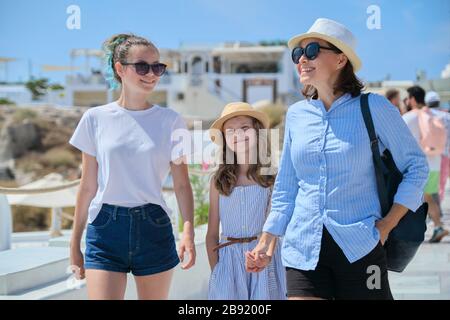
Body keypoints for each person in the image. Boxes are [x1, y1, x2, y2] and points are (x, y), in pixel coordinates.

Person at [246, 18, 429, 300]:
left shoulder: (374, 107)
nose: (301, 60)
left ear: (341, 59)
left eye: (312, 51)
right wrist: (267, 239)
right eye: (298, 54)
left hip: (360, 246)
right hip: (303, 246)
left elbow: (416, 167)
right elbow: (287, 185)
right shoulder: (296, 115)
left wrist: (387, 225)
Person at [69, 33, 196, 299]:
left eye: (157, 67)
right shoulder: (95, 118)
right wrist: (74, 244)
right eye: (142, 66)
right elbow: (87, 186)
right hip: (104, 228)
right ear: (119, 69)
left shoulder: (171, 121)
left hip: (153, 226)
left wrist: (188, 233)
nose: (151, 74)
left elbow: (182, 184)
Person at [206, 102, 286, 300]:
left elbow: (274, 228)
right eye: (230, 131)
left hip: (264, 262)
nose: (238, 135)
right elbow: (211, 234)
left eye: (244, 128)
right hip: (228, 266)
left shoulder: (271, 178)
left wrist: (265, 255)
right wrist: (217, 270)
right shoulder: (218, 181)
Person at [403, 87, 449, 242]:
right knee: (428, 197)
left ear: (413, 99)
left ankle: (434, 227)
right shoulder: (435, 115)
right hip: (435, 161)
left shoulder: (409, 117)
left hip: (417, 165)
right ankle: (437, 226)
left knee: (420, 198)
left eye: (408, 98)